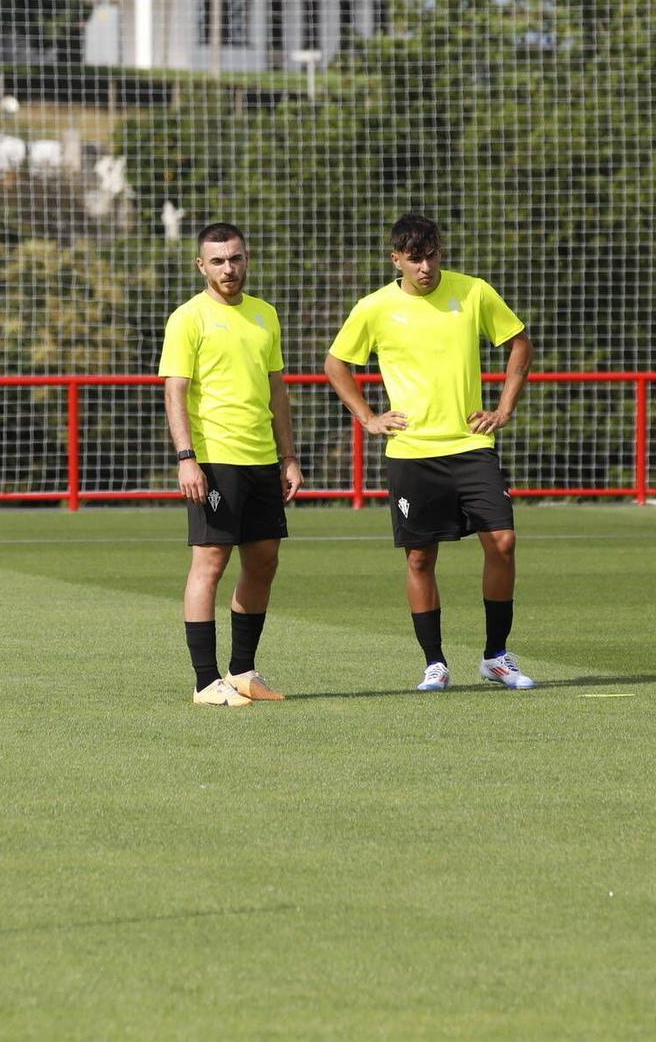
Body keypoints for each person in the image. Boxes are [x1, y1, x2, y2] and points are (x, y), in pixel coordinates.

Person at [323, 213, 536, 692]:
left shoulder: (474, 291)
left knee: (502, 542)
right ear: (395, 258)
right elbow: (336, 364)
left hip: (471, 446)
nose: (426, 267)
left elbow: (519, 344)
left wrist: (503, 408)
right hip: (412, 453)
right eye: (415, 258)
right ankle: (434, 663)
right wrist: (368, 417)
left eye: (432, 254)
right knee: (420, 558)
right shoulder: (374, 307)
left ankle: (497, 656)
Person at [159, 223, 304, 707]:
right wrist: (187, 459)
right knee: (211, 562)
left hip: (262, 459)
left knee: (264, 561)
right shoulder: (188, 318)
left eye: (236, 258)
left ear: (247, 259)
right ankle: (205, 681)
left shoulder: (265, 315)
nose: (229, 268)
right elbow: (175, 391)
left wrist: (288, 456)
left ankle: (242, 672)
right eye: (217, 261)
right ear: (201, 266)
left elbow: (277, 390)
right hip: (214, 459)